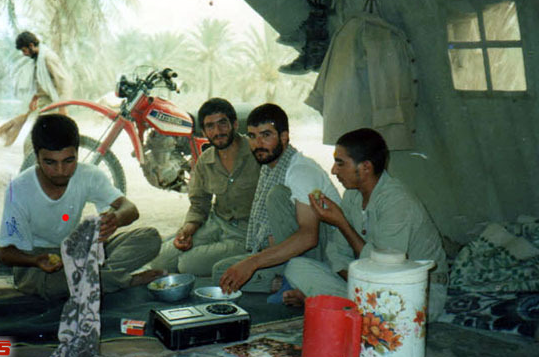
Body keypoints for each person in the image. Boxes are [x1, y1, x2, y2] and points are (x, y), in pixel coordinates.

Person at [284, 128, 448, 320]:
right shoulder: (352, 195)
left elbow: (385, 270)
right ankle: (346, 306)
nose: (334, 170)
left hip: (416, 291)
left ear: (366, 167)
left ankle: (333, 305)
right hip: (368, 285)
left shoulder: (397, 201)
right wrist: (357, 285)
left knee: (387, 310)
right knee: (296, 267)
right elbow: (338, 253)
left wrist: (341, 223)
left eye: (340, 163)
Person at [0, 114, 162, 300]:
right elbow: (5, 254)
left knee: (150, 238)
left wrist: (116, 219)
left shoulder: (87, 175)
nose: (60, 171)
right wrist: (35, 260)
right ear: (37, 157)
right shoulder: (19, 189)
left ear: (77, 153)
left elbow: (129, 208)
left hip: (77, 251)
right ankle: (122, 280)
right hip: (38, 267)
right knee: (52, 285)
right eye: (50, 162)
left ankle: (101, 278)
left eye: (68, 161)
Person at [212, 103, 342, 298]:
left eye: (266, 135)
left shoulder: (300, 171)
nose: (258, 143)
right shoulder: (269, 167)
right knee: (221, 272)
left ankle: (293, 282)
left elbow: (309, 237)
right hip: (293, 252)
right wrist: (255, 260)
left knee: (277, 195)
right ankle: (289, 282)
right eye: (252, 136)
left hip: (322, 257)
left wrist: (253, 262)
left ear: (284, 137)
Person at [151, 98, 260, 276]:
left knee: (188, 265)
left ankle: (251, 259)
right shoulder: (205, 160)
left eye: (222, 123)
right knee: (160, 261)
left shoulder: (257, 151)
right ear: (203, 131)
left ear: (234, 124)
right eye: (210, 126)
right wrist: (188, 230)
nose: (217, 132)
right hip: (216, 223)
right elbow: (199, 205)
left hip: (246, 232)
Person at [15, 31, 72, 155]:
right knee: (38, 145)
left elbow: (64, 82)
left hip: (54, 106)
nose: (24, 54)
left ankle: (33, 167)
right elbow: (45, 84)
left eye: (24, 50)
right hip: (46, 106)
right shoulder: (38, 59)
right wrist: (36, 97)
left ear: (31, 45)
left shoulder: (47, 57)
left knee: (30, 144)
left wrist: (62, 108)